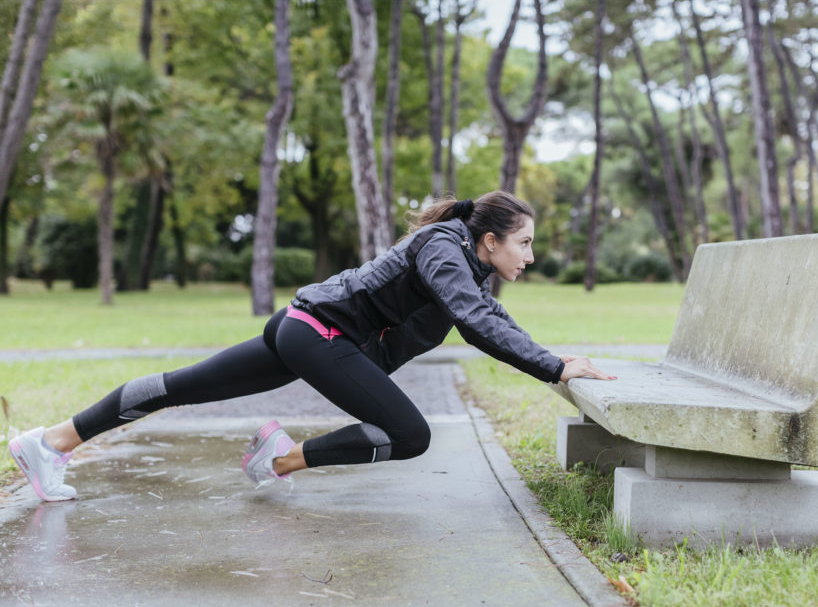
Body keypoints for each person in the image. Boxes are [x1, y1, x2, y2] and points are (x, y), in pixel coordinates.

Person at [9, 190, 616, 502]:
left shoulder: (461, 266)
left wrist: (360, 381)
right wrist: (554, 366)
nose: (530, 257)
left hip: (305, 328)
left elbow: (451, 323)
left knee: (186, 385)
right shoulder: (443, 248)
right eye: (525, 244)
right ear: (489, 240)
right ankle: (277, 459)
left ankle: (50, 441)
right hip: (315, 331)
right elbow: (479, 321)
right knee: (411, 435)